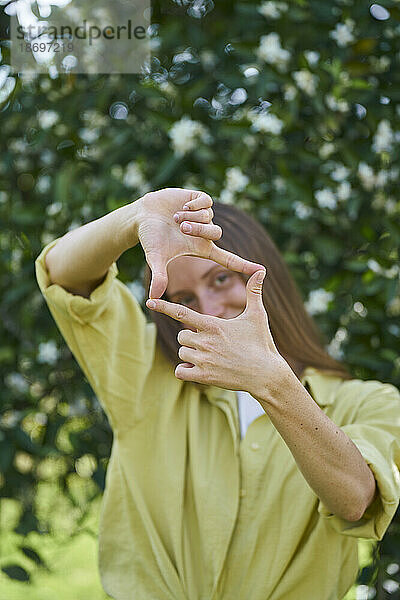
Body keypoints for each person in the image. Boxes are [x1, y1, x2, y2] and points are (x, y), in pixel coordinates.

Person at [35, 187, 400, 600]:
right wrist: (133, 218)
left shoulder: (369, 401)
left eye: (221, 278)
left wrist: (272, 382)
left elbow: (356, 499)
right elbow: (65, 278)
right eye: (183, 298)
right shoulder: (148, 377)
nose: (206, 310)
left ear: (265, 276)